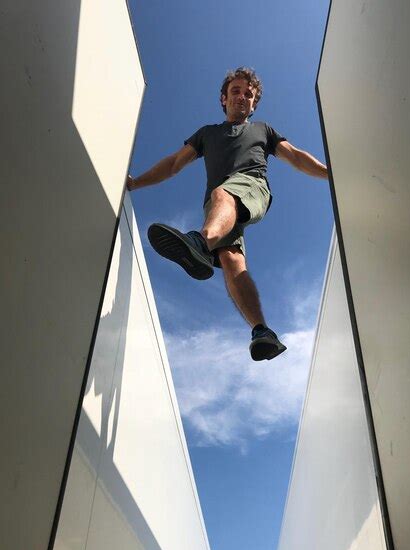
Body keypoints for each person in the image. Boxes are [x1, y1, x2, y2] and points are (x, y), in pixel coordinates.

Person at [127, 67, 328, 361]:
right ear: (224, 98)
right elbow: (173, 164)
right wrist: (135, 183)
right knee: (231, 259)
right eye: (236, 92)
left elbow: (295, 156)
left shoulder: (263, 130)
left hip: (252, 187)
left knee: (223, 193)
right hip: (218, 210)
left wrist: (331, 174)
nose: (243, 98)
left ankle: (200, 242)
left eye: (249, 95)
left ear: (254, 103)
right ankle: (262, 330)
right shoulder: (207, 134)